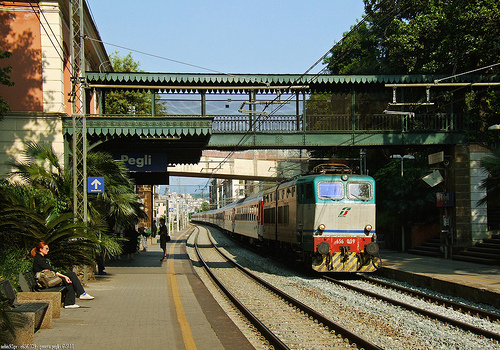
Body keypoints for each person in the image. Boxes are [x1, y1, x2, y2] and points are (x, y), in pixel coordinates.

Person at [31, 242, 94, 309]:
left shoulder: (42, 258)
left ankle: (70, 302)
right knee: (70, 276)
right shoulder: (39, 259)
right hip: (45, 282)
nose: (48, 250)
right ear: (40, 249)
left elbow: (51, 270)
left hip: (49, 279)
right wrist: (64, 276)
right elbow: (52, 270)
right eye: (46, 248)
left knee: (70, 279)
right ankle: (80, 295)